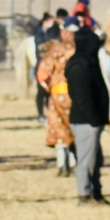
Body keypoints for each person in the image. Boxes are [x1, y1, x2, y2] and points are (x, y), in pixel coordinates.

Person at [65, 26, 110, 204]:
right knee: (86, 160)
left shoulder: (87, 61)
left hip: (92, 120)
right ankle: (84, 194)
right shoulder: (80, 67)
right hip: (86, 121)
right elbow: (82, 98)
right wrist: (93, 120)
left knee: (95, 159)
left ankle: (95, 192)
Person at [37, 17, 78, 177]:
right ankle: (76, 163)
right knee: (75, 128)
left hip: (57, 93)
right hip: (77, 93)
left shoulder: (56, 48)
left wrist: (49, 87)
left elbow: (43, 72)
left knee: (59, 127)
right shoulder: (81, 48)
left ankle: (62, 164)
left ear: (65, 31)